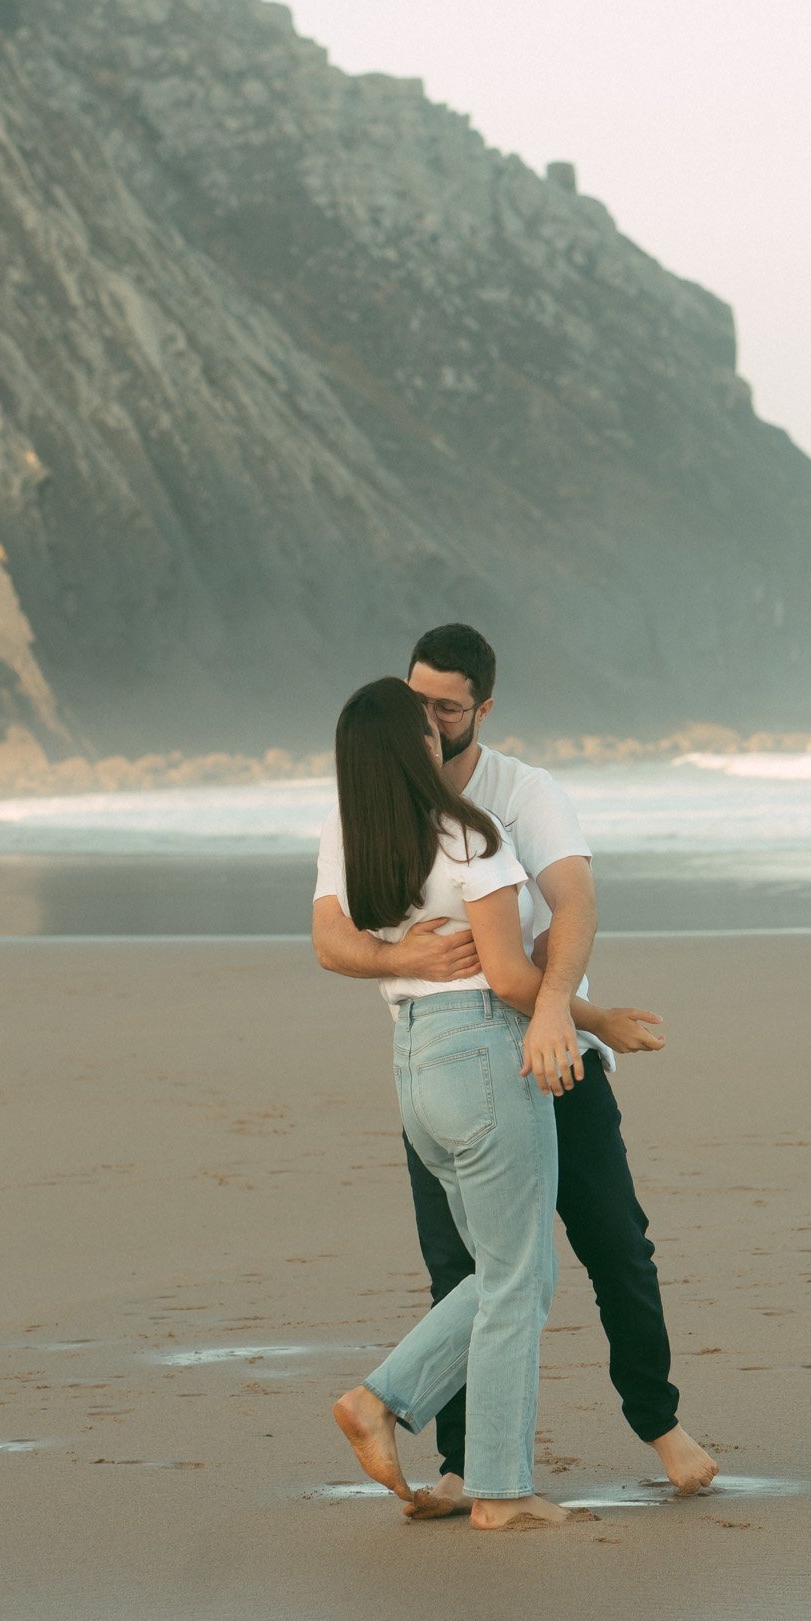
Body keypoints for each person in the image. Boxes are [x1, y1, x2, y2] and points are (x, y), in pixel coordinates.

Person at [314, 623, 718, 1506]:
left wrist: (570, 1019)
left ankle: (654, 1426)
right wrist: (404, 961)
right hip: (482, 1051)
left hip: (512, 1048)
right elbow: (355, 946)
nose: (431, 717)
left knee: (613, 1246)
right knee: (483, 1272)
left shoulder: (517, 794)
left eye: (446, 706)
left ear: (480, 709)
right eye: (416, 702)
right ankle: (468, 1468)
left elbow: (572, 899)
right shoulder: (442, 827)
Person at [326, 675, 631, 1531]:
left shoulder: (362, 841)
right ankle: (493, 1486)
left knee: (514, 1274)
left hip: (414, 1062)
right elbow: (506, 975)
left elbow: (333, 940)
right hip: (483, 1054)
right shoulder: (467, 834)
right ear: (416, 746)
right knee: (513, 1279)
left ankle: (392, 1410)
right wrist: (582, 1016)